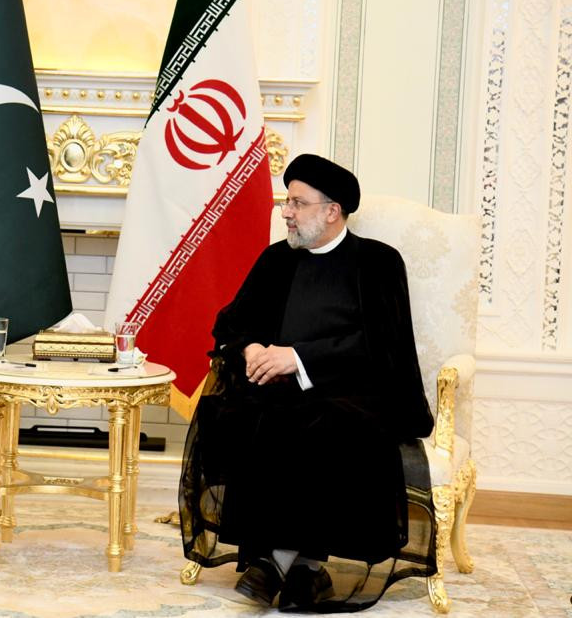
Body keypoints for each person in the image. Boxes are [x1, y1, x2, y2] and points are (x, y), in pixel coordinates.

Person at [178, 154, 435, 612]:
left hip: (357, 391)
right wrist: (251, 350)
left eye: (298, 203)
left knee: (322, 426)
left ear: (332, 210)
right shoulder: (277, 260)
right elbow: (231, 324)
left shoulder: (377, 263)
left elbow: (381, 345)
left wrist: (298, 357)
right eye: (286, 202)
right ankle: (307, 572)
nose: (287, 212)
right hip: (280, 394)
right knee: (253, 416)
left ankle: (272, 563)